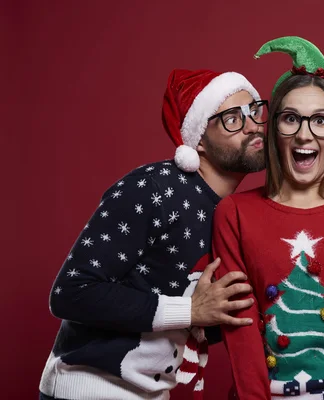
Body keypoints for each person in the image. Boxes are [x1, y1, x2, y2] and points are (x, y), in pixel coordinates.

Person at [39, 68, 268, 400]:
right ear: (199, 139)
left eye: (254, 111)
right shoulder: (154, 188)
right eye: (232, 117)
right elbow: (71, 292)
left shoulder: (230, 213)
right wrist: (191, 311)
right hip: (89, 390)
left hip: (151, 393)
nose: (251, 125)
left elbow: (189, 312)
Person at [212, 36, 324, 399]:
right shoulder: (234, 213)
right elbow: (241, 334)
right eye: (291, 119)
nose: (304, 134)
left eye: (321, 120)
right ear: (273, 129)